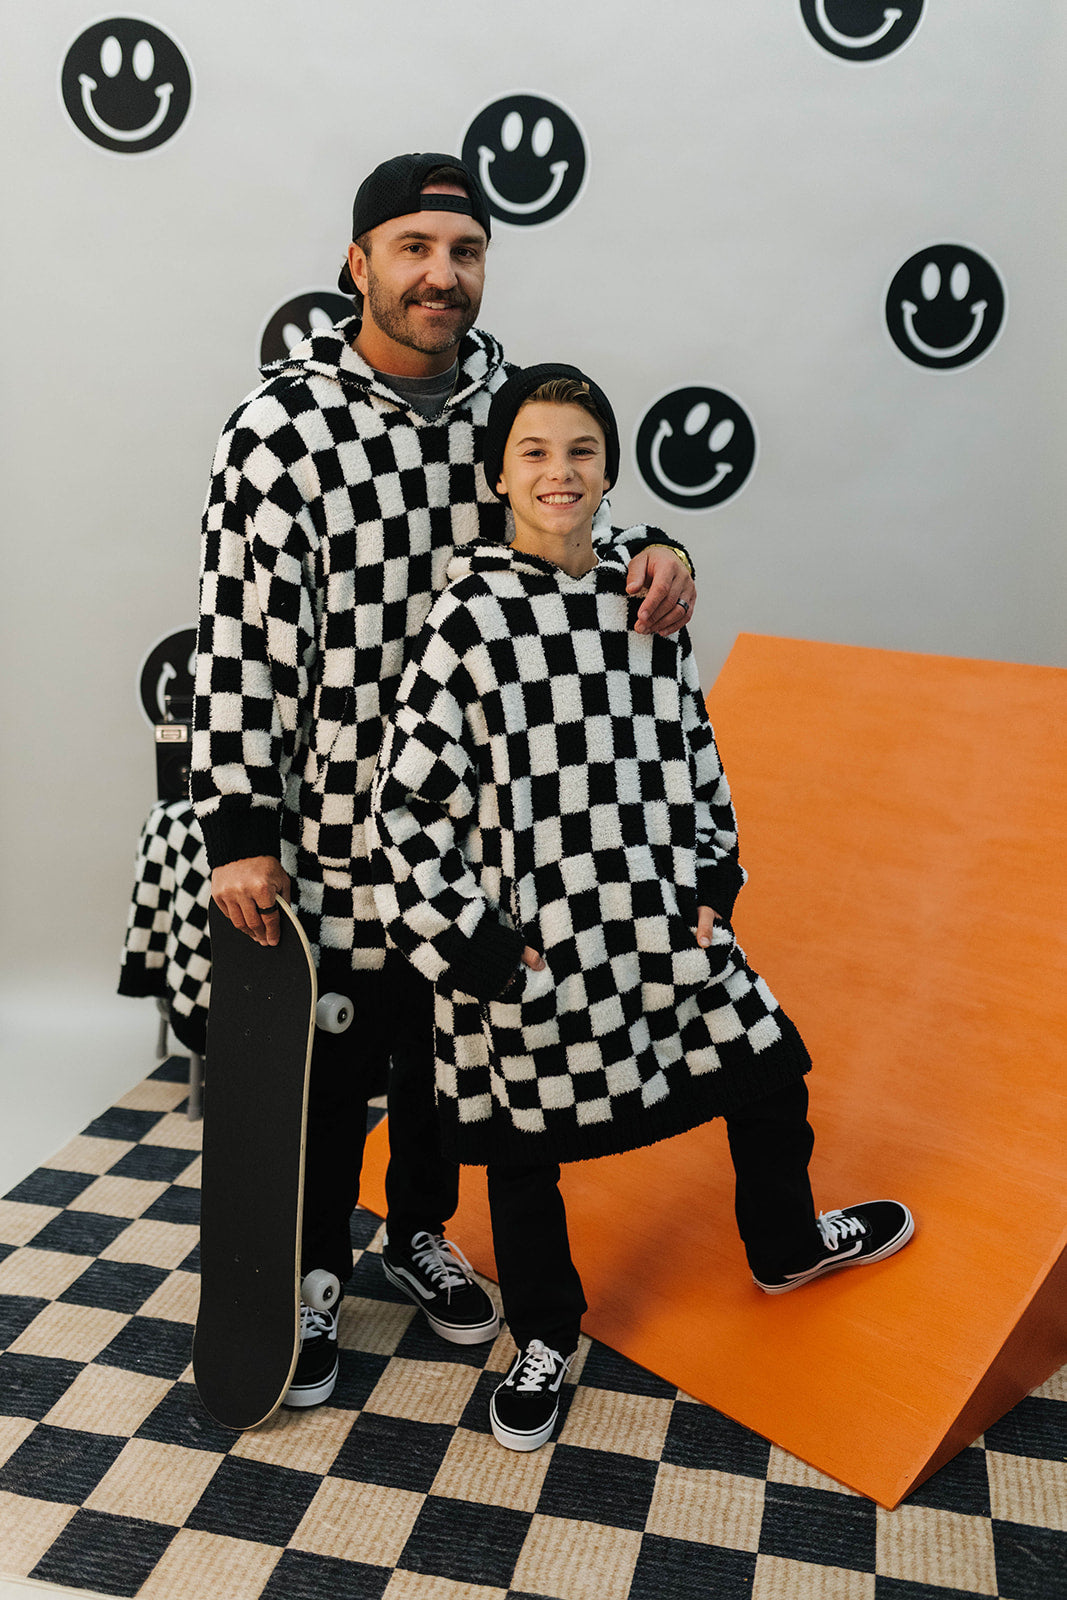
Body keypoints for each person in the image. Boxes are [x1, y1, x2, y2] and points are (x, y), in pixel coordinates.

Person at [191, 156, 696, 1409]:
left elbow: (563, 515)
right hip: (332, 818)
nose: (440, 274)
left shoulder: (505, 401)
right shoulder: (284, 427)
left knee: (440, 1055)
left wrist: (657, 548)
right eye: (412, 247)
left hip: (477, 818)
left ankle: (414, 1229)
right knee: (327, 1064)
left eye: (463, 251)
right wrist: (243, 828)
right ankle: (307, 1273)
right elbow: (243, 631)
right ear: (357, 261)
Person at [368, 364, 914, 1452]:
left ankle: (785, 1241)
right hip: (532, 945)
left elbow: (694, 750)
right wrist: (480, 950)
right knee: (521, 1156)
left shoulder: (644, 597)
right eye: (532, 453)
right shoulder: (466, 620)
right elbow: (404, 807)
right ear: (497, 477)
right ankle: (543, 1334)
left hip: (662, 925)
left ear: (609, 469)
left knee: (767, 1070)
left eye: (578, 451)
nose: (557, 472)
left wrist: (711, 885)